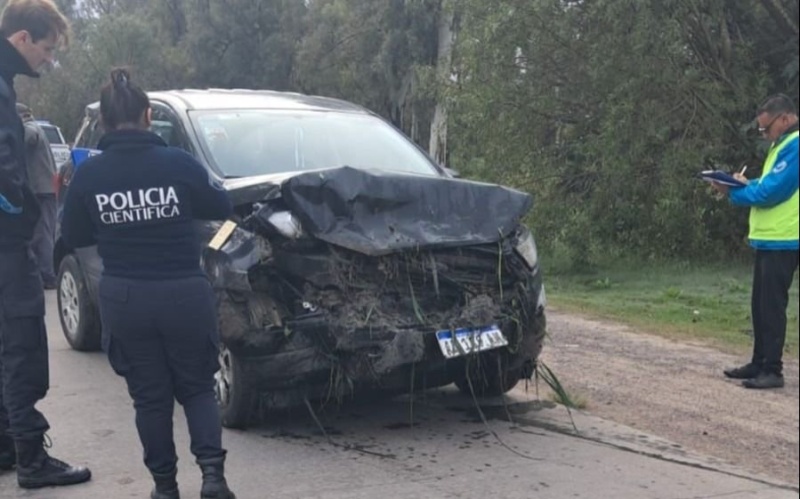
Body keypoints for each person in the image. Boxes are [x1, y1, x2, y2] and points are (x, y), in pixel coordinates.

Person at [61, 68, 236, 499]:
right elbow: (221, 205)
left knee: (150, 399)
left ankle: (164, 487)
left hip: (126, 297)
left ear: (104, 122)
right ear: (148, 115)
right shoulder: (178, 163)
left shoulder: (89, 176)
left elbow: (75, 235)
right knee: (198, 388)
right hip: (183, 292)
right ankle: (213, 478)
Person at [0, 0, 92, 489]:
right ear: (22, 39)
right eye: (47, 48)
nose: (49, 59)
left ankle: (6, 448)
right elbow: (3, 173)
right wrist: (21, 215)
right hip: (6, 245)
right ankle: (32, 460)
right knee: (23, 347)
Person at [711, 93, 799, 389]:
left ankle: (773, 370)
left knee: (772, 307)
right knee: (760, 305)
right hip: (768, 238)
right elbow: (765, 182)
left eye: (766, 128)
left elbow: (773, 191)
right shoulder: (782, 145)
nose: (763, 134)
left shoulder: (796, 146)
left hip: (785, 238)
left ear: (784, 119)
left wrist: (733, 192)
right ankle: (759, 362)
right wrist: (744, 183)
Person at [17, 102, 58, 289]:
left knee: (42, 234)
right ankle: (43, 274)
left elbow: (29, 137)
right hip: (43, 190)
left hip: (42, 191)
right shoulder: (35, 127)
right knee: (41, 233)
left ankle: (47, 276)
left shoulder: (31, 127)